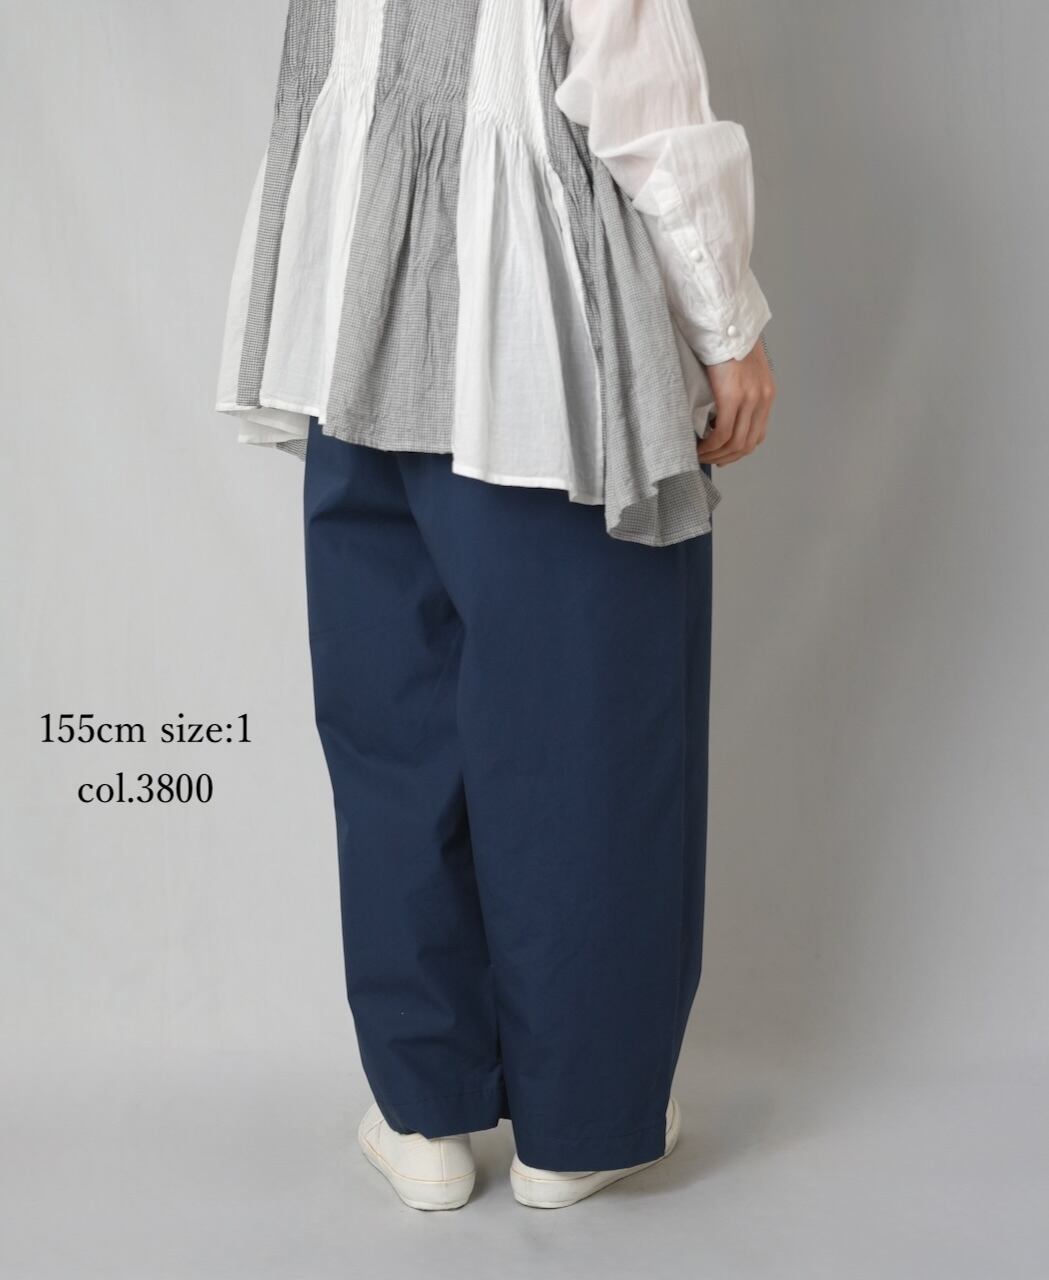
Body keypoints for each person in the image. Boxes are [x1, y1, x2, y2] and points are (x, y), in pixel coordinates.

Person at [216, 0, 775, 1211]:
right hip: (533, 348)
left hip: (352, 314)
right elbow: (642, 102)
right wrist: (725, 324)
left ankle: (422, 1111)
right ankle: (578, 1126)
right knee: (584, 735)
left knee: (393, 728)